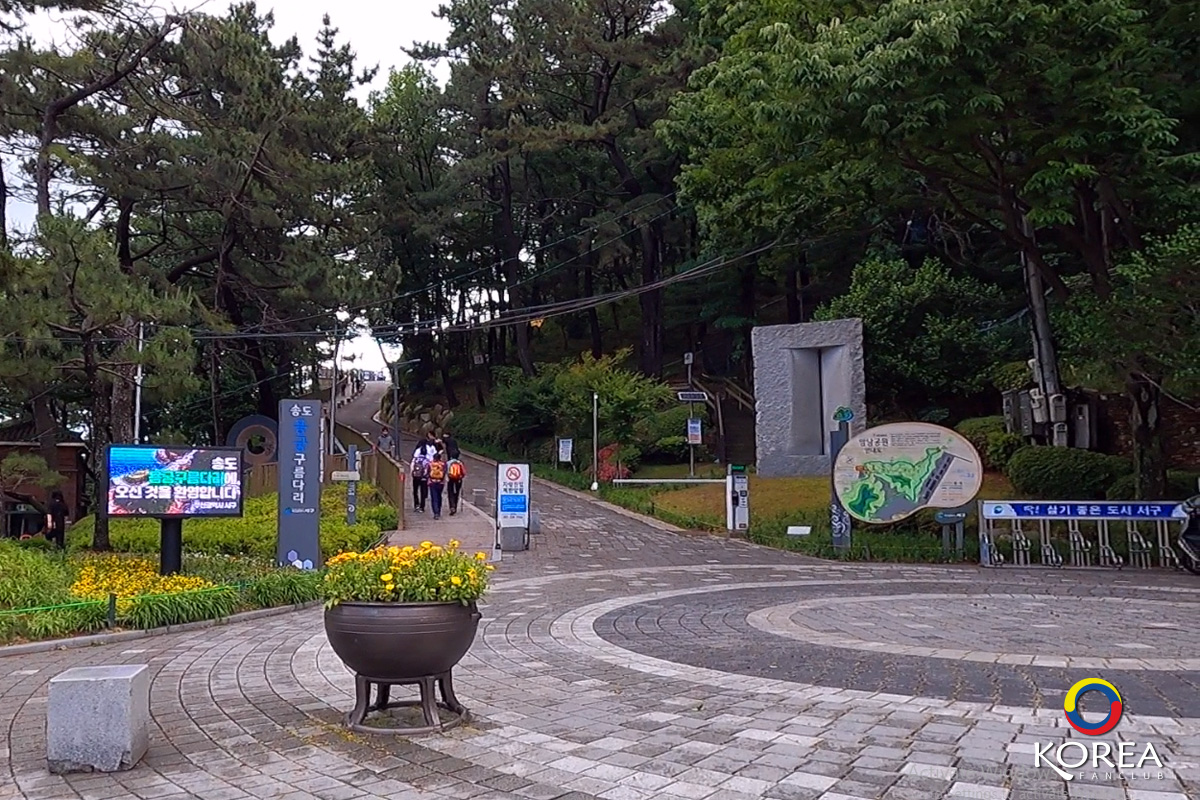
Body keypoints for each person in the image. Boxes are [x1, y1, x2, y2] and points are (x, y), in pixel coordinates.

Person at [427, 450, 447, 520]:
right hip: (440, 483)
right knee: (439, 496)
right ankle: (439, 510)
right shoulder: (443, 464)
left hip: (432, 482)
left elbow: (428, 473)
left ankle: (435, 512)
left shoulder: (430, 464)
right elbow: (444, 473)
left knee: (434, 497)